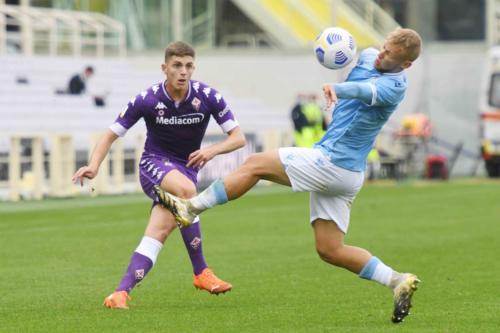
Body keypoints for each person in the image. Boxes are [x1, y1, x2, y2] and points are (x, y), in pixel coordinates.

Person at [154, 29, 422, 323]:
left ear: (405, 64)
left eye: (391, 55)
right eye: (383, 48)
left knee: (255, 164)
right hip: (347, 173)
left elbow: (363, 91)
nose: (382, 55)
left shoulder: (395, 86)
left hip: (332, 162)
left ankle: (189, 207)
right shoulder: (370, 55)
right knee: (330, 249)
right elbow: (358, 56)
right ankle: (397, 280)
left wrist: (339, 89)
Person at [72, 41, 246, 309]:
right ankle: (201, 272)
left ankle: (120, 294)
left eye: (188, 66)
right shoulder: (147, 99)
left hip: (185, 170)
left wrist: (212, 151)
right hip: (153, 165)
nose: (183, 71)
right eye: (177, 65)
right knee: (188, 194)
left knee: (158, 233)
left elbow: (238, 138)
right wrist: (93, 166)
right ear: (165, 68)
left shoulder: (209, 97)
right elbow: (110, 134)